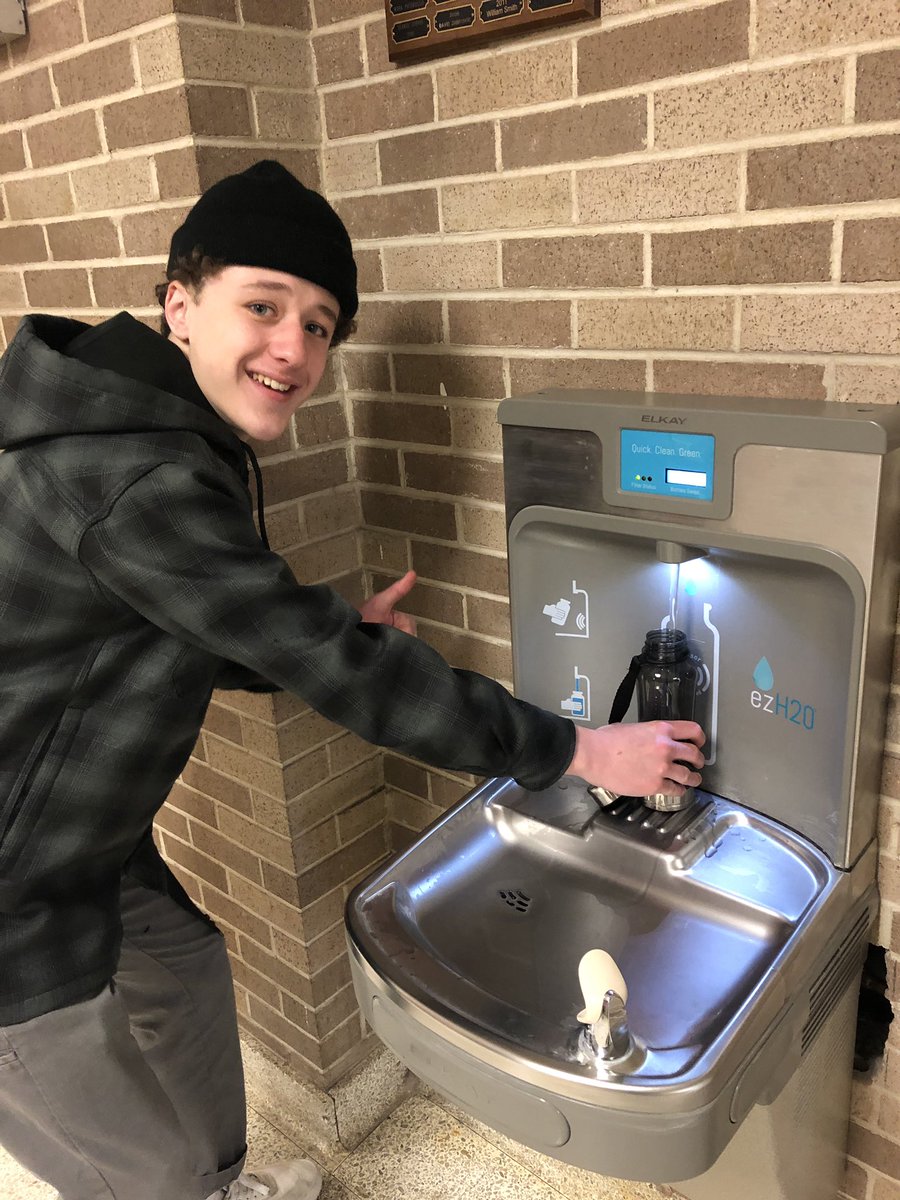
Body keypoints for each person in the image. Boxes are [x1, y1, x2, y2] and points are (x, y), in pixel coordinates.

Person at [0, 160, 705, 1200]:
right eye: (264, 306)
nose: (294, 348)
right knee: (134, 1176)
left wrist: (334, 626)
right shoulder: (135, 471)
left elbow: (176, 613)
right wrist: (584, 749)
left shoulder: (144, 430)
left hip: (75, 841)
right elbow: (342, 675)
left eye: (321, 323)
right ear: (178, 304)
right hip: (14, 900)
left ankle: (219, 1182)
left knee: (185, 972)